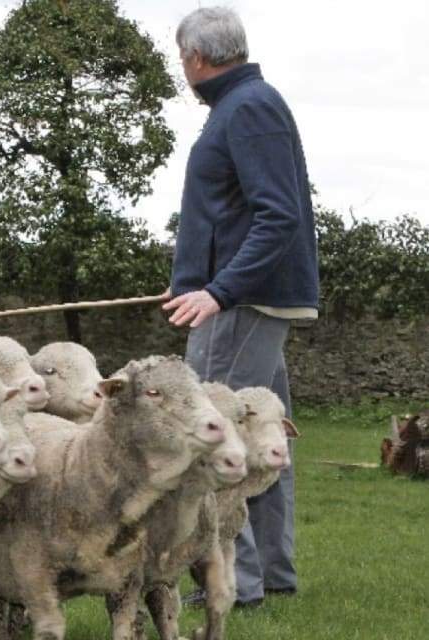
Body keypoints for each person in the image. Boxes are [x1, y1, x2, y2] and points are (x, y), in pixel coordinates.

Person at [162, 6, 319, 608]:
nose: (182, 68)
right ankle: (271, 574)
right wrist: (192, 280)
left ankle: (234, 583)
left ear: (198, 57)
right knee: (261, 436)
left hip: (241, 305)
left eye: (181, 58)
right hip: (239, 298)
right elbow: (231, 215)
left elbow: (277, 216)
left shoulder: (248, 107)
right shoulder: (243, 105)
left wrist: (218, 290)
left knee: (214, 433)